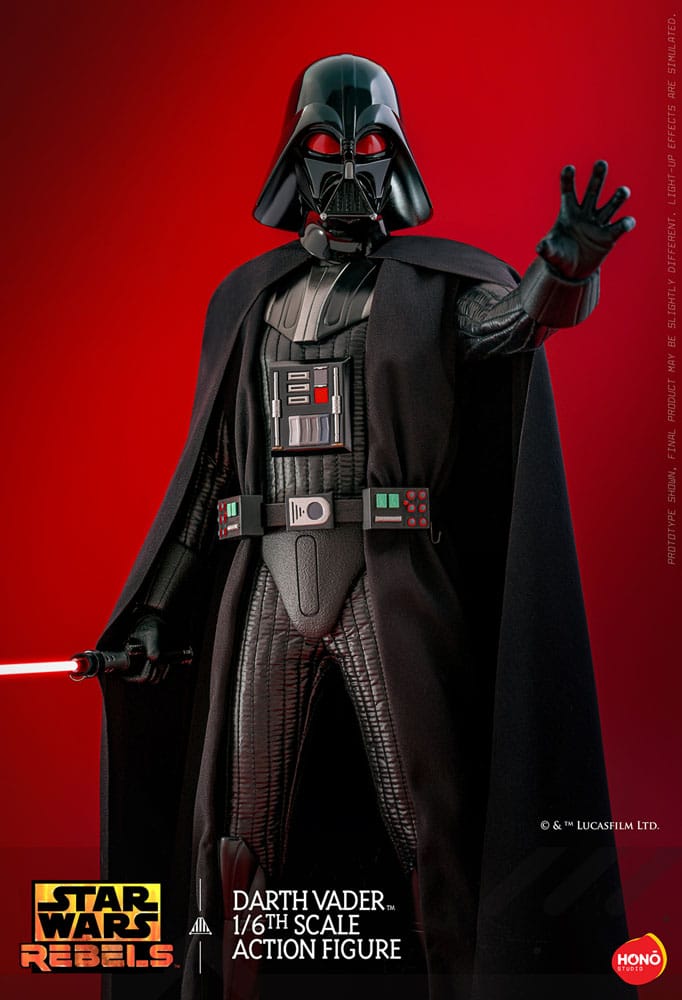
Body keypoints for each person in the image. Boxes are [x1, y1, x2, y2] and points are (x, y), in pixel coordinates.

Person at [98, 54, 635, 1000]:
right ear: (291, 158)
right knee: (241, 824)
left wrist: (561, 271)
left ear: (397, 158)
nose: (347, 165)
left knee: (426, 812)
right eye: (325, 142)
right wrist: (153, 609)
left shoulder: (432, 290)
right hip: (266, 579)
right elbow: (210, 478)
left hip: (386, 579)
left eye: (370, 144)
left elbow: (512, 325)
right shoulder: (249, 301)